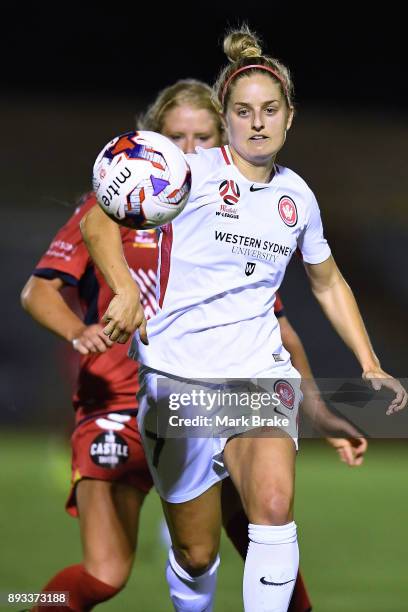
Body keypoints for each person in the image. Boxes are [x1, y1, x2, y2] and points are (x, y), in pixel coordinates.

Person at [80, 27, 403, 612]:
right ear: (225, 117)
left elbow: (326, 280)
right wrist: (125, 290)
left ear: (289, 118)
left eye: (270, 111)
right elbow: (99, 221)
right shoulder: (191, 171)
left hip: (256, 374)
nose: (258, 123)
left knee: (273, 514)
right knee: (198, 553)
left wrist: (369, 362)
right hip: (178, 381)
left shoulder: (297, 198)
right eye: (244, 111)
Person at [22, 77, 365, 612]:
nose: (189, 152)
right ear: (152, 141)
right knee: (109, 572)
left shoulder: (228, 212)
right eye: (176, 138)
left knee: (264, 527)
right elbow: (41, 287)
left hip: (220, 393)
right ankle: (33, 602)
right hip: (121, 403)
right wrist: (82, 326)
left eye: (203, 138)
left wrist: (319, 407)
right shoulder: (117, 207)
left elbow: (277, 324)